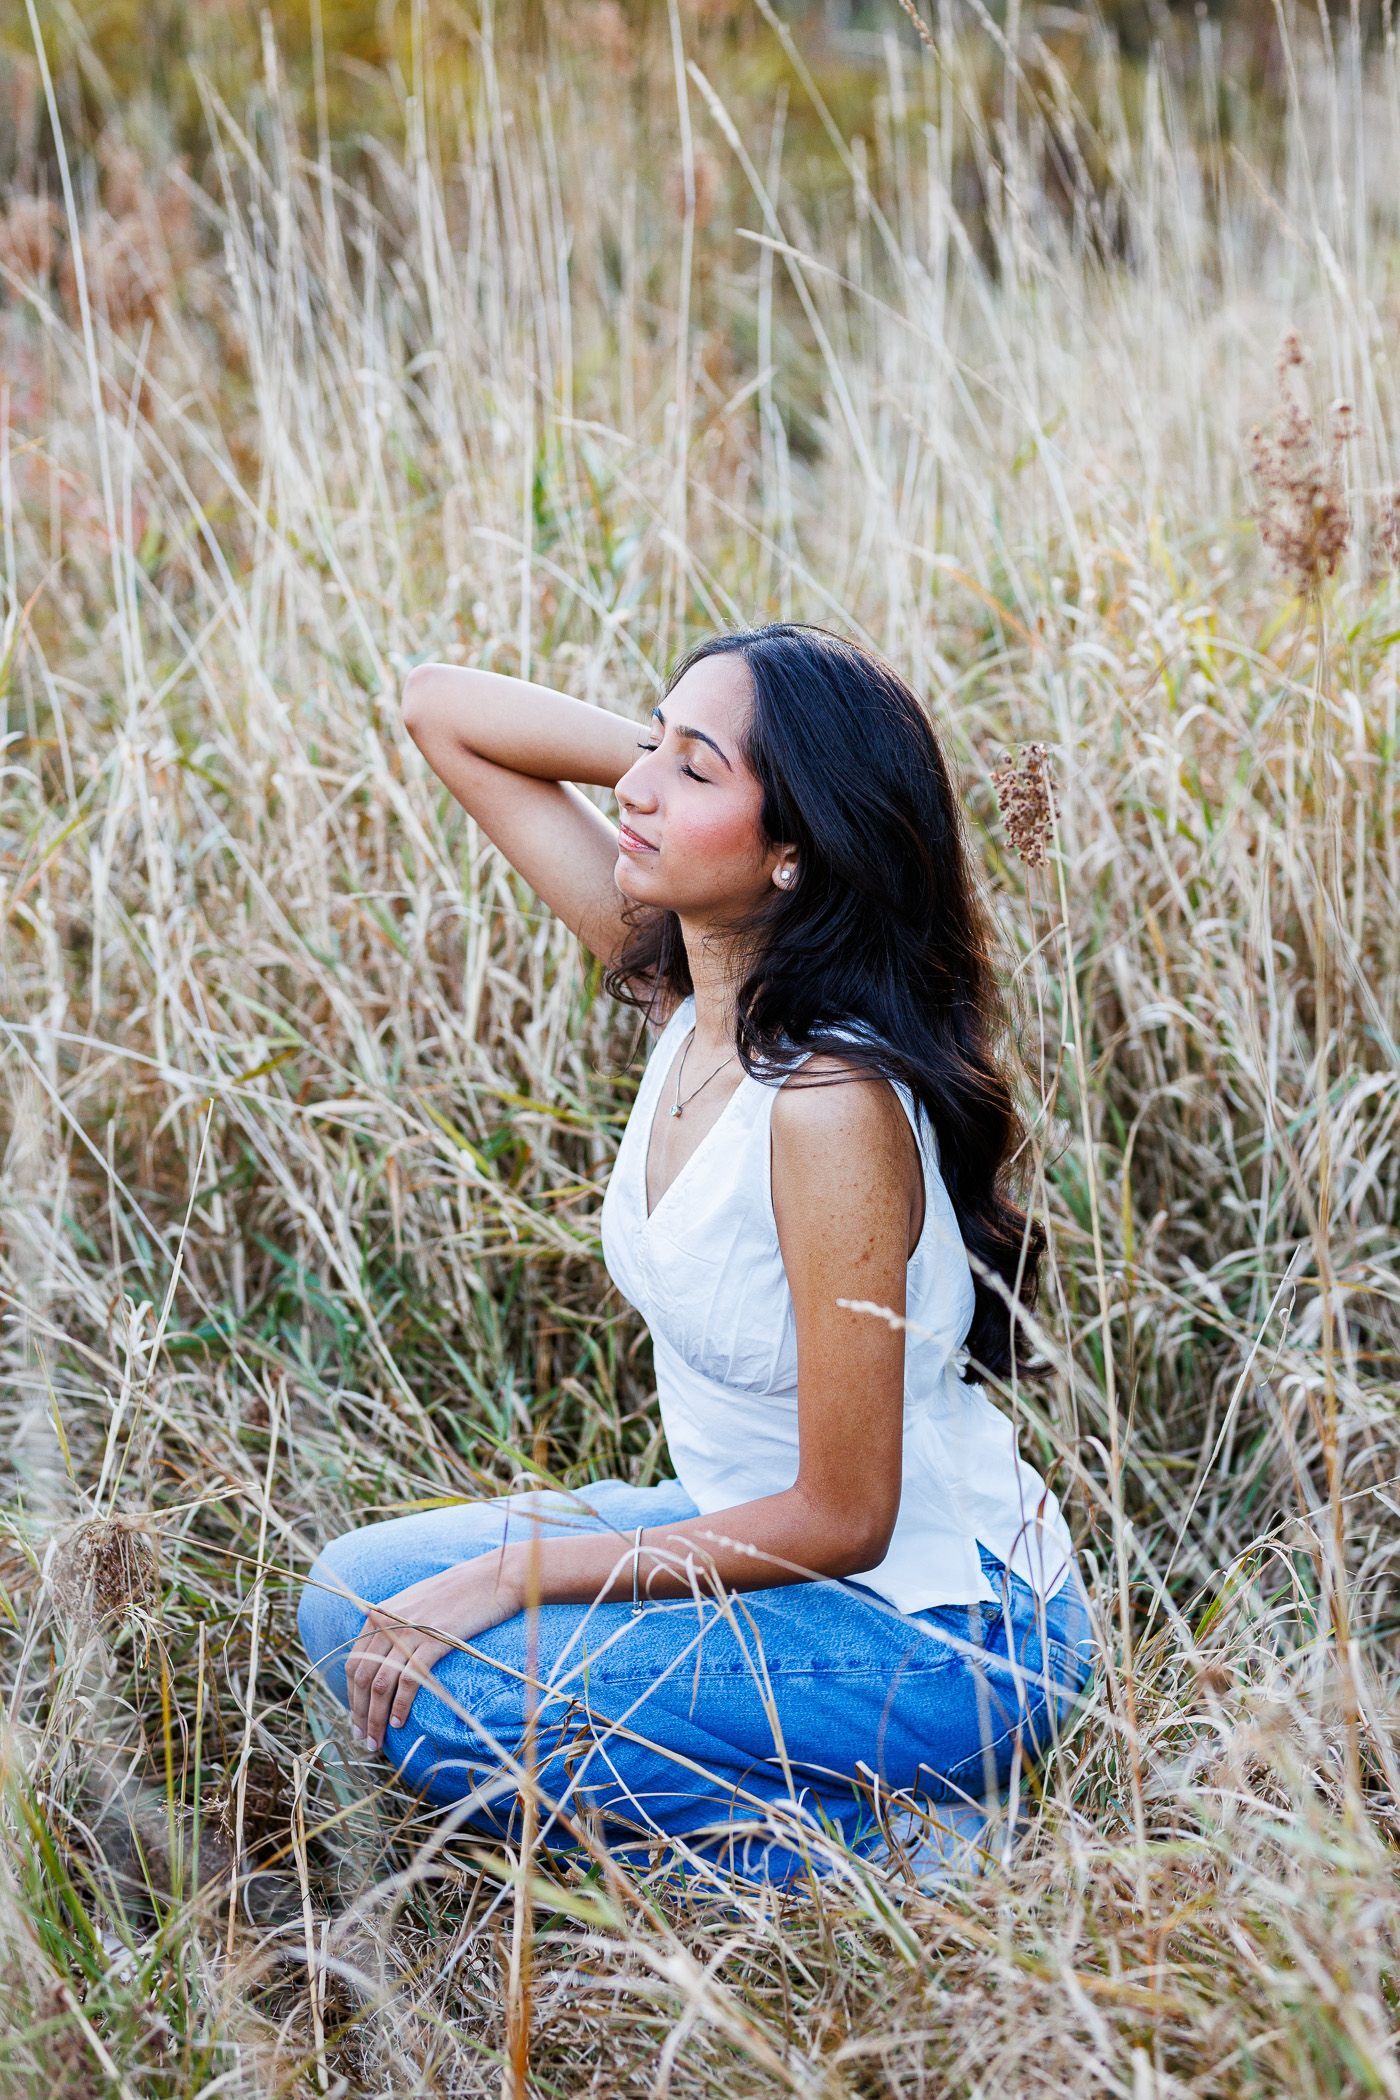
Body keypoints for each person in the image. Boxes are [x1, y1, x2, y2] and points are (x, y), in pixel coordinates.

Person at [295, 622, 1098, 1888]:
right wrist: (693, 755)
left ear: (793, 850)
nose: (632, 788)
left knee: (459, 1709)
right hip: (751, 1540)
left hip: (943, 1632)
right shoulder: (690, 1001)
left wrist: (522, 1574)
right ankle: (832, 1810)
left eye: (693, 772)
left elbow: (846, 1515)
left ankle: (901, 1856)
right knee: (354, 1600)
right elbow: (439, 704)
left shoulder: (827, 1102)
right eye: (648, 750)